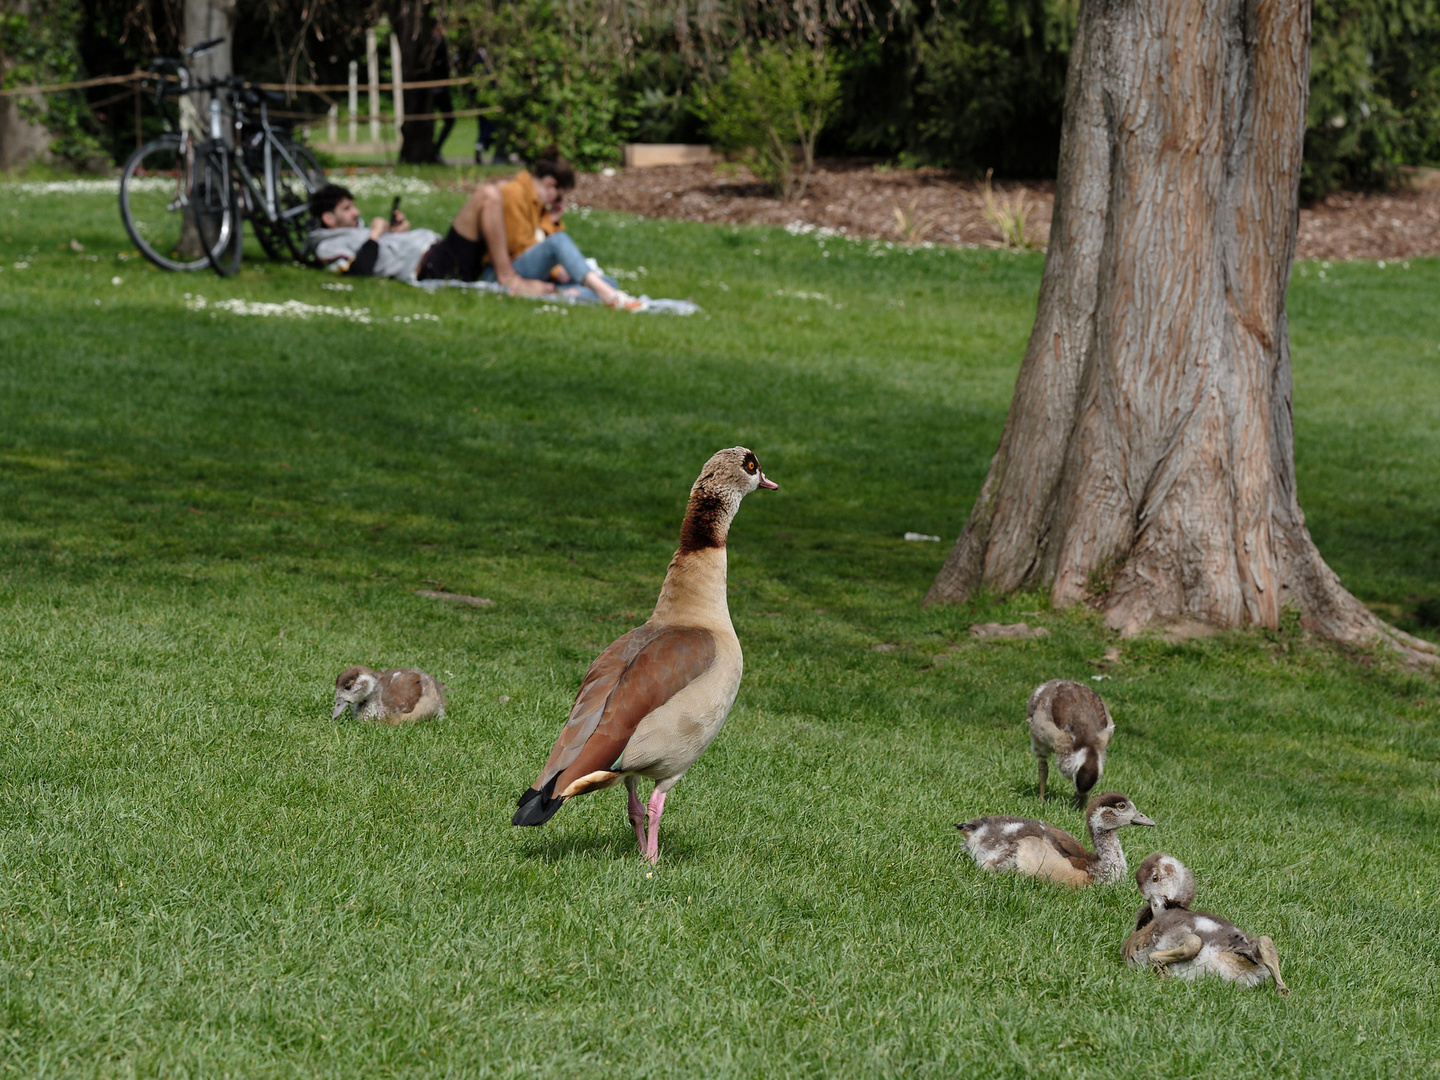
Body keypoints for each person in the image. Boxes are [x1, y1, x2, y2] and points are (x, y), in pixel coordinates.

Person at [306, 181, 552, 297]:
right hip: (434, 265)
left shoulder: (348, 232)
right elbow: (358, 272)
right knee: (487, 195)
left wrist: (394, 232)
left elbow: (379, 252)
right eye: (347, 208)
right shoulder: (329, 246)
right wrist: (375, 234)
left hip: (439, 254)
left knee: (500, 194)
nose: (356, 212)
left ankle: (549, 270)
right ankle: (509, 278)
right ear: (328, 218)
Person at [492, 148, 641, 310]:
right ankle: (607, 296)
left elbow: (539, 239)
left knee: (609, 282)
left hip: (529, 268)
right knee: (559, 241)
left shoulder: (537, 203)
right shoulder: (514, 193)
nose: (556, 202)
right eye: (558, 197)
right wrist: (556, 270)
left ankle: (567, 294)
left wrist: (551, 219)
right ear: (550, 183)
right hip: (507, 271)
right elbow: (518, 246)